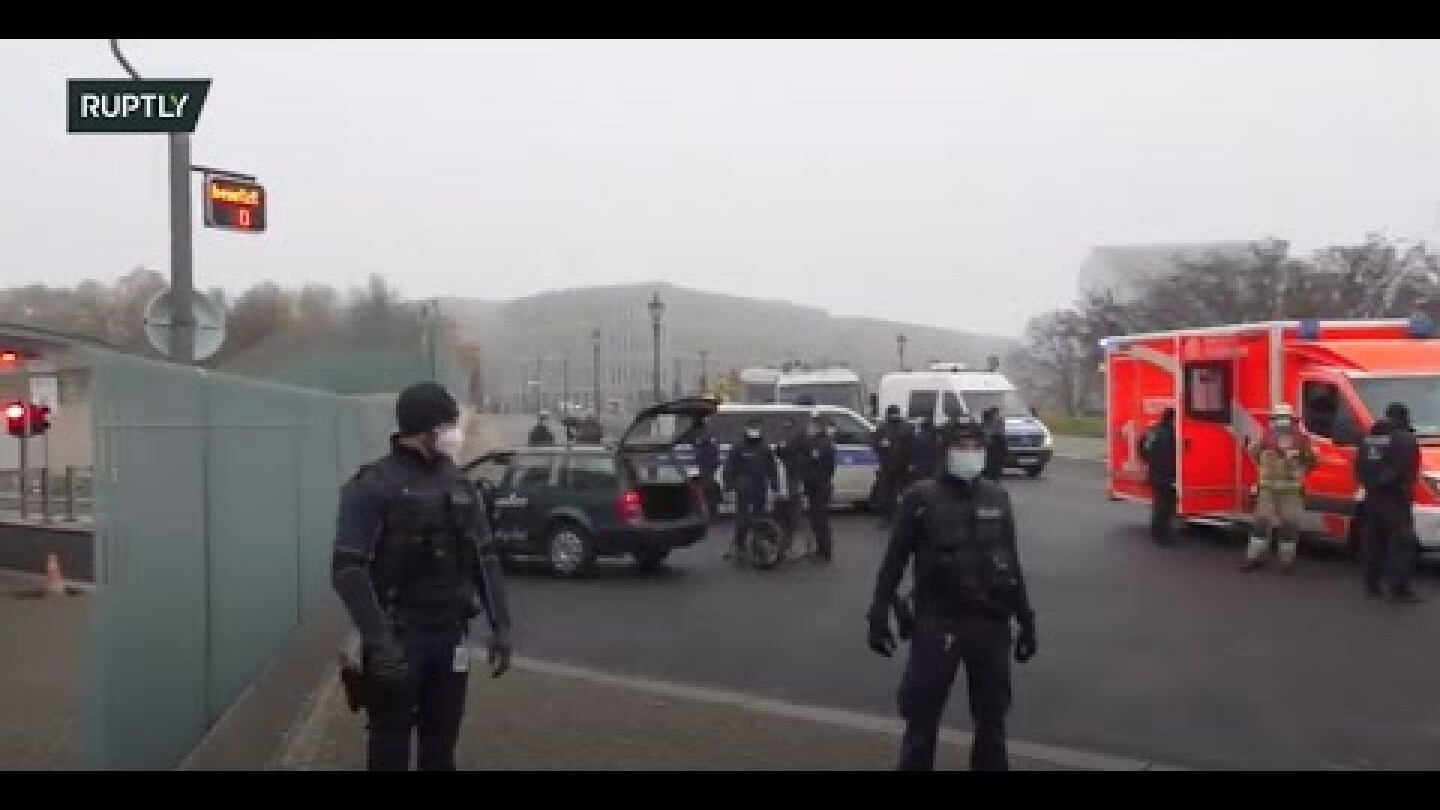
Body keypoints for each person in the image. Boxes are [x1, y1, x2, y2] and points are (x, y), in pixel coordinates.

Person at [331, 382, 514, 771]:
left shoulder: (459, 482)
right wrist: (379, 641)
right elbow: (346, 569)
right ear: (425, 429)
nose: (455, 432)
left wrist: (503, 626)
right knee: (389, 747)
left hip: (450, 636)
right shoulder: (373, 486)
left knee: (442, 745)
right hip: (399, 637)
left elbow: (485, 556)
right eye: (449, 424)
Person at [866, 416, 1037, 772]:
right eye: (961, 447)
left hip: (990, 623)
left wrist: (1027, 620)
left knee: (992, 723)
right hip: (937, 621)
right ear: (946, 452)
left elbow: (1012, 562)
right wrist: (878, 614)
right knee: (922, 719)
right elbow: (894, 561)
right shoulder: (920, 498)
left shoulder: (997, 497)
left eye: (976, 447)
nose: (969, 453)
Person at [1356, 401, 1423, 603]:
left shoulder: (1369, 438)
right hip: (1395, 497)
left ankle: (1372, 583)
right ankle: (1399, 588)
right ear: (1404, 417)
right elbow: (1403, 469)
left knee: (1373, 541)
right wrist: (1391, 483)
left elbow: (1358, 466)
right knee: (1400, 543)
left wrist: (1371, 484)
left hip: (1371, 497)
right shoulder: (1405, 439)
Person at [1242, 404, 1316, 572]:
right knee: (1261, 523)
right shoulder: (1265, 437)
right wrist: (1266, 470)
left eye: (1285, 420)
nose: (1283, 424)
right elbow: (1254, 454)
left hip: (1291, 489)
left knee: (1289, 525)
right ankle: (1254, 558)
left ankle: (1286, 562)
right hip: (1268, 488)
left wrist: (1299, 472)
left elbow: (1311, 460)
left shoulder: (1301, 440)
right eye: (1279, 420)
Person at [722, 417, 780, 561]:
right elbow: (729, 468)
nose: (754, 431)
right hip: (743, 488)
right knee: (742, 519)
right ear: (746, 429)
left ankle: (757, 545)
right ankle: (739, 545)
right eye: (752, 427)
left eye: (757, 428)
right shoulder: (738, 447)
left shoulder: (765, 448)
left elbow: (772, 468)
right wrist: (729, 485)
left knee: (759, 518)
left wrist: (774, 485)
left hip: (760, 487)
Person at [798, 416, 838, 562]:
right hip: (815, 486)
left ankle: (825, 551)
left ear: (817, 428)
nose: (809, 429)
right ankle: (821, 549)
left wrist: (814, 480)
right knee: (816, 520)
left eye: (811, 426)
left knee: (820, 520)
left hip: (820, 486)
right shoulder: (815, 442)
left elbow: (823, 467)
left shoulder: (823, 444)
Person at [1139, 408, 1178, 545]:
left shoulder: (1152, 431)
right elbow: (1173, 456)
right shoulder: (1172, 434)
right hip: (1167, 475)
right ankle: (1163, 536)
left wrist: (1150, 461)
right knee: (1166, 506)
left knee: (1158, 504)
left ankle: (1156, 532)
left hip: (1154, 472)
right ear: (1172, 419)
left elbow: (1142, 448)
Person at [871, 405, 916, 523]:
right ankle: (889, 517)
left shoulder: (905, 427)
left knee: (896, 492)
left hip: (899, 465)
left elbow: (912, 446)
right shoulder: (884, 428)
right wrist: (881, 446)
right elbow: (874, 444)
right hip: (891, 465)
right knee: (889, 493)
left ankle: (895, 517)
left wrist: (911, 462)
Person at [775, 416, 806, 540]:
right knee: (790, 497)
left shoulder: (795, 436)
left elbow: (792, 451)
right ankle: (789, 521)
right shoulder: (784, 435)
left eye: (787, 423)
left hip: (792, 470)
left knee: (791, 497)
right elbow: (780, 451)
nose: (785, 425)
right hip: (787, 471)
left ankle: (791, 521)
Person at [694, 422, 723, 516]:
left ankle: (712, 512)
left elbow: (715, 460)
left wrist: (709, 468)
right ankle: (710, 512)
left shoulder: (709, 446)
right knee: (706, 494)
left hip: (708, 473)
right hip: (705, 472)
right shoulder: (701, 445)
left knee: (709, 494)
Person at [908, 415, 944, 483]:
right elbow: (939, 453)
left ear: (922, 427)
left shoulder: (915, 438)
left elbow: (910, 452)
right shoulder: (936, 439)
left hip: (918, 467)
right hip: (932, 468)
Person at [980, 407, 1008, 482]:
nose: (998, 417)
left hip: (995, 456)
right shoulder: (986, 428)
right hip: (991, 457)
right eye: (996, 415)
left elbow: (1003, 444)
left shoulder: (998, 425)